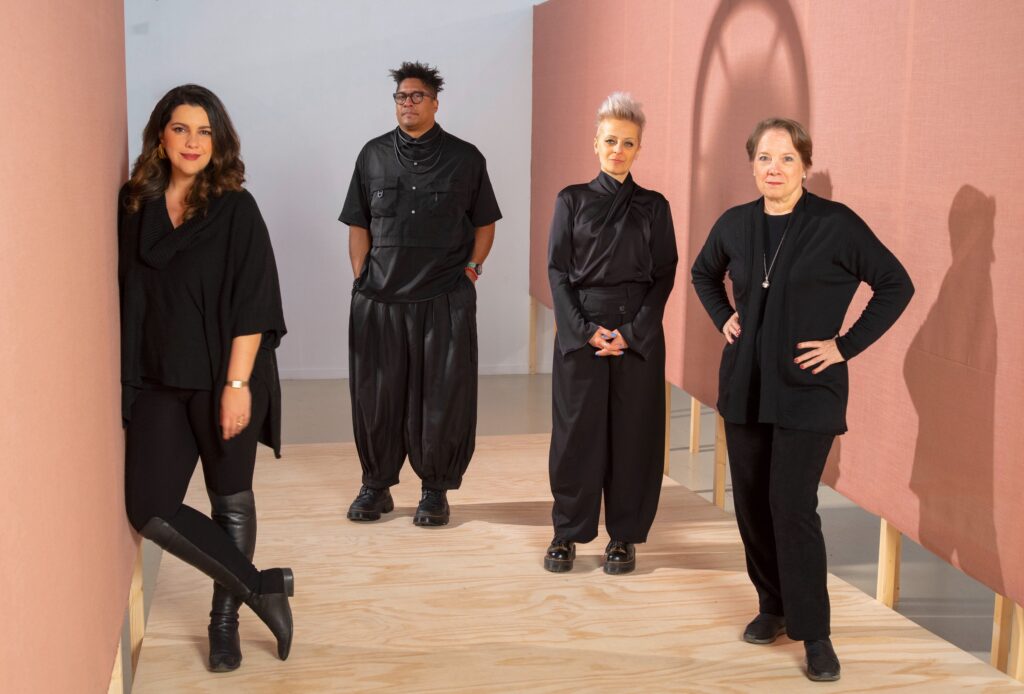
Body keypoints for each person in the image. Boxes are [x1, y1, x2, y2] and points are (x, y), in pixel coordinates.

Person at [691, 117, 914, 682]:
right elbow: (702, 273)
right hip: (744, 387)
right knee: (751, 504)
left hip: (808, 392)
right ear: (752, 164)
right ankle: (773, 606)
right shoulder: (735, 223)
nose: (775, 168)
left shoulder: (835, 225)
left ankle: (815, 634)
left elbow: (896, 284)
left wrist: (844, 346)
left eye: (787, 158)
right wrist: (724, 317)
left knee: (791, 506)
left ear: (805, 166)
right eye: (765, 158)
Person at [119, 84, 293, 672]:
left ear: (218, 142)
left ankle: (224, 623)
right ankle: (262, 587)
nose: (192, 142)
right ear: (160, 136)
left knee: (230, 500)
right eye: (180, 129)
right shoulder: (135, 205)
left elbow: (255, 303)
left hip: (226, 377)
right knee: (149, 506)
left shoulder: (236, 208)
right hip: (159, 379)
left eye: (204, 131)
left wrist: (237, 386)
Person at [339, 61, 501, 527]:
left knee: (442, 398)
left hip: (444, 299)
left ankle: (435, 490)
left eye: (416, 96)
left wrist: (470, 271)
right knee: (377, 397)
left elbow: (485, 223)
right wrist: (361, 278)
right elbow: (358, 223)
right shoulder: (372, 155)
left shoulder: (466, 158)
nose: (407, 104)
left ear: (434, 103)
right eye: (401, 97)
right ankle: (376, 486)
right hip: (379, 301)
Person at [544, 92, 677, 575]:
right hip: (582, 331)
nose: (618, 150)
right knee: (575, 435)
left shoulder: (654, 206)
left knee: (634, 436)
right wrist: (583, 331)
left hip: (637, 335)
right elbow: (558, 270)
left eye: (628, 143)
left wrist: (632, 333)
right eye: (610, 141)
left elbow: (664, 274)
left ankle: (624, 535)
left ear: (639, 148)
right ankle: (567, 531)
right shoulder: (571, 199)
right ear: (595, 143)